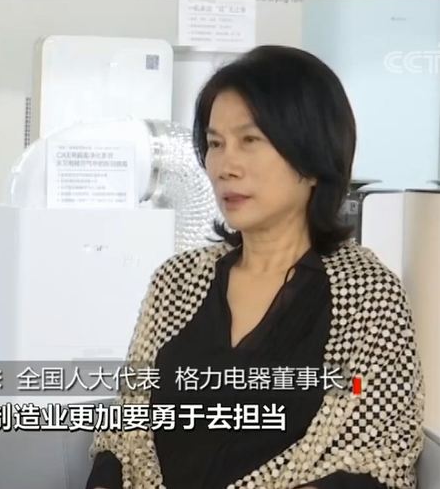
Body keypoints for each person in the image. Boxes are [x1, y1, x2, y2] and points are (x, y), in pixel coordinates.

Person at [86, 45, 425, 489]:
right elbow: (122, 433)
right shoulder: (175, 281)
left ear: (312, 158)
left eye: (250, 140)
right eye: (215, 144)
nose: (226, 166)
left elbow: (379, 459)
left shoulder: (369, 295)